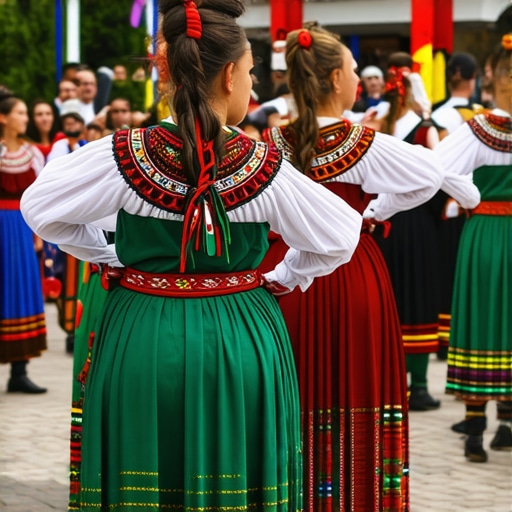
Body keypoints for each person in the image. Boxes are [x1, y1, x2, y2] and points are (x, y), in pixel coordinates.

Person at [20, 1, 362, 510]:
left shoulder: (125, 154)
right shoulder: (263, 165)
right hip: (241, 333)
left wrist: (109, 256)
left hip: (141, 329)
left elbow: (41, 208)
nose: (254, 86)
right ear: (228, 76)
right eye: (250, 73)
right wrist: (288, 275)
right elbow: (340, 235)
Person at [259, 24, 457, 511]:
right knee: (353, 390)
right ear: (332, 80)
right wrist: (373, 212)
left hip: (286, 276)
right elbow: (428, 177)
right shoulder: (362, 142)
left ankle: (291, 492)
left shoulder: (269, 142)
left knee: (295, 389)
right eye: (350, 69)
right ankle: (353, 496)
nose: (355, 79)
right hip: (350, 272)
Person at [434, 35, 512, 463]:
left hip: (483, 232)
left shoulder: (480, 130)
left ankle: (475, 430)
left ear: (492, 77)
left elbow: (433, 170)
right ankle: (507, 424)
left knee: (480, 320)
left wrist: (469, 195)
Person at [430, 52, 483, 360]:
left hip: (448, 206)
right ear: (472, 78)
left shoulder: (438, 115)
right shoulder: (486, 115)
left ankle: (446, 339)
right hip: (480, 207)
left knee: (448, 274)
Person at [0, 88, 47, 394]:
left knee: (21, 289)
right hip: (2, 224)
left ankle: (19, 370)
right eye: (20, 113)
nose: (25, 118)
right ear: (3, 118)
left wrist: (39, 231)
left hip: (22, 226)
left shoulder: (32, 154)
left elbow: (41, 196)